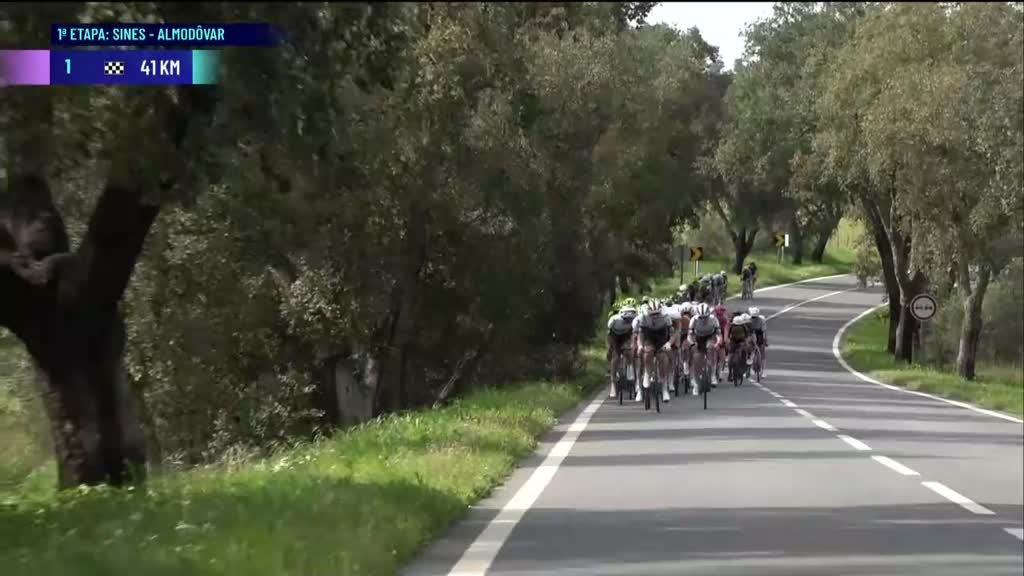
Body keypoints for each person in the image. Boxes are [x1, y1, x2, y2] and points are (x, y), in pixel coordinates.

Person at [637, 299, 674, 403]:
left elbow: (672, 334)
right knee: (647, 351)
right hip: (649, 337)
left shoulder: (666, 317)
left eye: (657, 314)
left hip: (662, 337)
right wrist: (640, 345)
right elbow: (641, 335)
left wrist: (669, 343)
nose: (655, 317)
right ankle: (647, 373)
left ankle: (664, 389)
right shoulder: (643, 318)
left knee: (663, 358)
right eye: (652, 315)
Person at [606, 299, 639, 397]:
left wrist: (632, 345)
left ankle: (629, 367)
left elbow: (634, 334)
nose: (629, 321)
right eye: (627, 319)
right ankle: (613, 383)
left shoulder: (635, 319)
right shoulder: (614, 320)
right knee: (615, 357)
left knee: (628, 351)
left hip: (626, 336)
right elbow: (608, 336)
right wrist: (609, 348)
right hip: (615, 337)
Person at [687, 303, 722, 394]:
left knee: (711, 348)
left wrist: (718, 342)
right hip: (698, 338)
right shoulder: (693, 320)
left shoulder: (713, 319)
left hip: (710, 336)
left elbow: (718, 334)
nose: (703, 319)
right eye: (701, 317)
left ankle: (713, 375)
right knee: (697, 360)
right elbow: (690, 336)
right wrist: (692, 343)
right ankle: (696, 383)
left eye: (705, 317)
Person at [726, 313, 752, 382]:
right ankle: (732, 371)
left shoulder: (733, 326)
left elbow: (728, 336)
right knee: (734, 356)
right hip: (737, 341)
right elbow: (747, 335)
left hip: (736, 341)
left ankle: (731, 372)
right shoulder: (743, 326)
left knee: (733, 356)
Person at [748, 306, 768, 377]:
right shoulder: (748, 319)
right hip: (751, 333)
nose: (754, 318)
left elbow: (764, 332)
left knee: (762, 351)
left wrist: (765, 340)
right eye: (753, 317)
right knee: (749, 347)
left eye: (755, 317)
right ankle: (749, 364)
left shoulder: (762, 319)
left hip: (759, 333)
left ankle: (764, 370)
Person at [713, 303, 730, 381]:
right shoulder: (715, 318)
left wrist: (725, 339)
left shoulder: (723, 319)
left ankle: (719, 371)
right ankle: (719, 371)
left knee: (720, 354)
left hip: (719, 335)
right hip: (716, 336)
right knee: (720, 354)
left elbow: (726, 329)